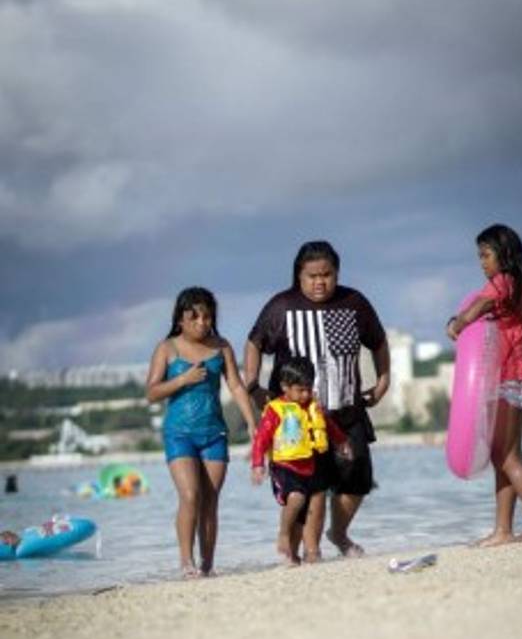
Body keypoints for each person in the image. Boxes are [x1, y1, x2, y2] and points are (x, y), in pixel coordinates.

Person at [244, 240, 390, 559]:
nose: (320, 281)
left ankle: (337, 533)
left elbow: (378, 341)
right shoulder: (281, 307)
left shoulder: (354, 302)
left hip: (346, 409)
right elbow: (254, 343)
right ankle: (304, 553)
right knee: (308, 490)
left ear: (336, 273)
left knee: (357, 478)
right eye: (312, 275)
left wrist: (383, 380)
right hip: (296, 420)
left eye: (327, 274)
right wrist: (252, 384)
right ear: (299, 275)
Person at [446, 223, 522, 545]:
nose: (482, 262)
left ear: (504, 255)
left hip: (509, 379)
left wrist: (459, 323)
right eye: (479, 256)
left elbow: (480, 305)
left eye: (486, 255)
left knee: (508, 458)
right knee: (502, 456)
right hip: (511, 378)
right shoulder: (518, 284)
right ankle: (503, 530)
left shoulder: (504, 282)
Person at [146, 287, 256, 577]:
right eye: (193, 317)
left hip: (214, 434)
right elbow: (152, 393)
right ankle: (186, 562)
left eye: (206, 317)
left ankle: (207, 566)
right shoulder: (167, 348)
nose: (201, 323)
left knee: (210, 501)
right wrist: (183, 379)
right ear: (180, 319)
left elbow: (235, 386)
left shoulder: (222, 347)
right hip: (179, 434)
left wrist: (253, 424)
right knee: (191, 496)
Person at [251, 357, 352, 565]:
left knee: (304, 513)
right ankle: (283, 534)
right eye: (300, 390)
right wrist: (257, 464)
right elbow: (261, 438)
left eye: (308, 389)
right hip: (284, 467)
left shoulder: (313, 407)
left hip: (309, 466)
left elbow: (330, 427)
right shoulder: (275, 410)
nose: (305, 395)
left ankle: (293, 555)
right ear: (285, 387)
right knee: (295, 499)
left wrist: (342, 442)